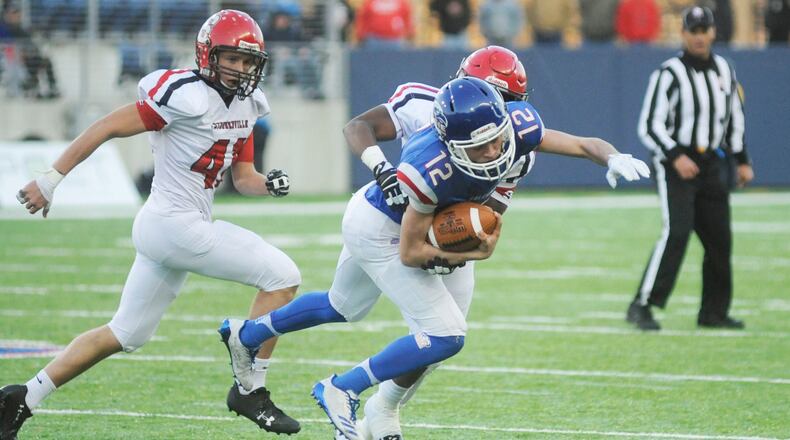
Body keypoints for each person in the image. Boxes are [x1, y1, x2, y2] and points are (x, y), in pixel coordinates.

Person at [220, 51, 650, 440]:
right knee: (443, 332)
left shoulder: (517, 129)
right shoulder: (430, 163)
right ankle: (342, 388)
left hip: (428, 223)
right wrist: (450, 245)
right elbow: (410, 248)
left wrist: (610, 156)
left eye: (505, 108)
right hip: (387, 226)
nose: (493, 140)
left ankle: (260, 340)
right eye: (494, 103)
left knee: (359, 311)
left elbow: (568, 150)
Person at [0, 10, 302, 438]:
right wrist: (50, 180)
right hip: (175, 225)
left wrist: (267, 184)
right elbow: (107, 126)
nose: (240, 68)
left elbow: (244, 178)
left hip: (171, 229)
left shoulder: (249, 104)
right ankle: (250, 389)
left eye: (248, 61)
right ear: (208, 54)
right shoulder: (185, 95)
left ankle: (22, 397)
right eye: (231, 58)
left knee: (125, 334)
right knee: (283, 276)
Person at [627, 6, 754, 331]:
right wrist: (675, 156)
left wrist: (741, 160)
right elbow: (650, 125)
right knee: (677, 231)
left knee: (720, 239)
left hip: (711, 162)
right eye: (693, 31)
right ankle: (642, 304)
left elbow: (734, 118)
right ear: (683, 34)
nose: (699, 37)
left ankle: (714, 312)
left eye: (704, 30)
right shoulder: (669, 73)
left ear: (713, 32)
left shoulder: (725, 69)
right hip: (675, 164)